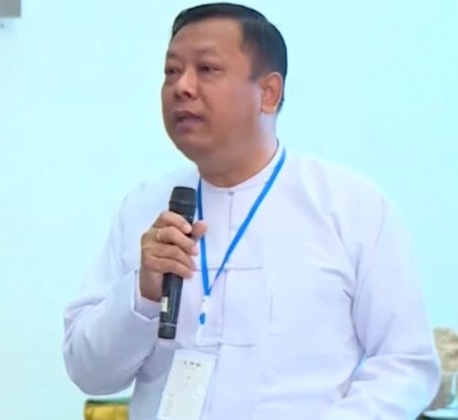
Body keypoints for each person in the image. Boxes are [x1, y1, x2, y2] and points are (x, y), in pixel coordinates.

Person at [62, 3, 441, 419]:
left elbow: (404, 365)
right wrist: (142, 292)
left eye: (207, 69)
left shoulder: (350, 207)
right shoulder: (144, 207)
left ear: (269, 93)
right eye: (171, 71)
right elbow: (87, 371)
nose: (182, 87)